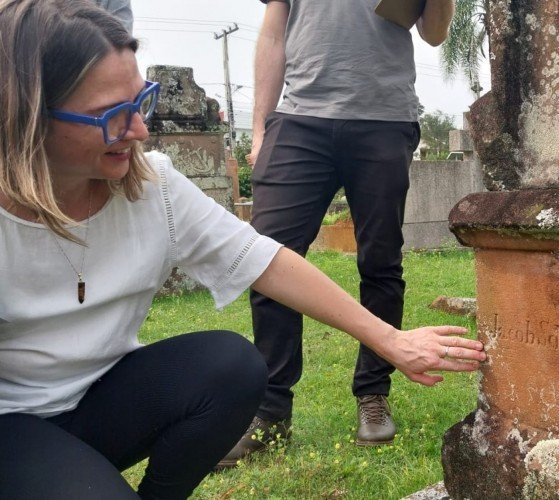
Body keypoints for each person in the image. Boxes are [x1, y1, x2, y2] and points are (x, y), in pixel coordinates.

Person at [0, 1, 485, 498]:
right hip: (12, 422)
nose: (141, 131)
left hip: (100, 402)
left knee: (230, 366)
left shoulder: (152, 186)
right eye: (112, 116)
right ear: (27, 113)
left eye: (140, 102)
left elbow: (265, 259)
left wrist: (392, 341)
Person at [221, 0, 456, 467]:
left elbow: (433, 34)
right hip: (300, 116)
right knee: (266, 259)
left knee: (381, 262)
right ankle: (270, 413)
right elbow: (273, 33)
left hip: (384, 117)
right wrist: (259, 128)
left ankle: (373, 393)